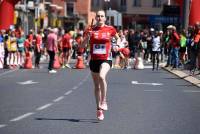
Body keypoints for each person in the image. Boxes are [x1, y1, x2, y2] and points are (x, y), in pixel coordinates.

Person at [80, 10, 121, 121]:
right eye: (98, 16)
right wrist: (87, 37)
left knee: (102, 76)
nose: (99, 18)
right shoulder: (90, 29)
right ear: (96, 17)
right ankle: (99, 109)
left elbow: (118, 38)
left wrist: (117, 45)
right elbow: (82, 46)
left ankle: (104, 101)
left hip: (106, 59)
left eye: (102, 16)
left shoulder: (110, 29)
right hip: (94, 60)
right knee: (96, 86)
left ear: (105, 18)